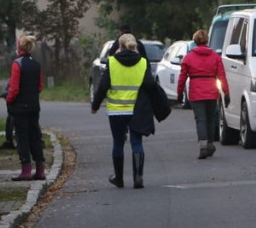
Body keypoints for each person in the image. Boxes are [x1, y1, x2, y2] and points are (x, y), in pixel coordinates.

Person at [91, 34, 168, 188]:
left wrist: (95, 105)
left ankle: (118, 178)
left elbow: (103, 86)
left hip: (116, 110)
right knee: (136, 142)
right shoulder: (143, 63)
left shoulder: (112, 62)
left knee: (118, 143)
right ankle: (138, 178)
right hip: (137, 109)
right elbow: (149, 84)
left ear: (119, 46)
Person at [178, 29, 231, 159]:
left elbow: (182, 77)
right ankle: (210, 144)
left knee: (200, 120)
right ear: (207, 40)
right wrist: (226, 93)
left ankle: (203, 146)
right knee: (210, 119)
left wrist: (179, 93)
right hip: (212, 91)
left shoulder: (188, 58)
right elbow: (222, 77)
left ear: (194, 41)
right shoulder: (215, 57)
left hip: (196, 92)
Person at [6, 35, 46, 181]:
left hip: (20, 107)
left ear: (19, 47)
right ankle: (40, 168)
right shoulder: (36, 64)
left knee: (22, 138)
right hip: (34, 106)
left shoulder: (17, 64)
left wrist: (9, 100)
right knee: (35, 136)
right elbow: (40, 86)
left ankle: (26, 169)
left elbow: (14, 88)